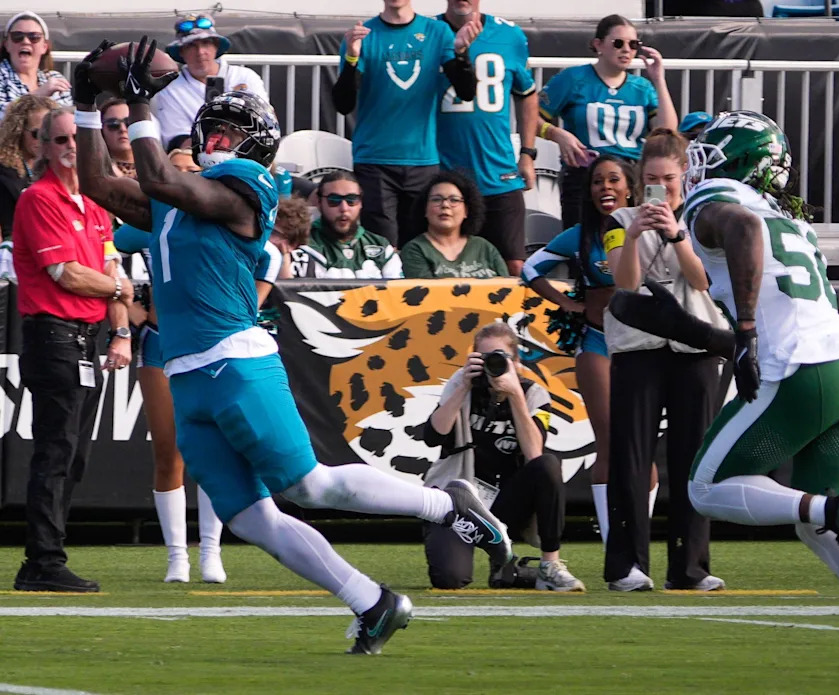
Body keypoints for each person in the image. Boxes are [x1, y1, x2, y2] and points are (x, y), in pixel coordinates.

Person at [74, 37, 512, 655]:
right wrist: (90, 100)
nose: (217, 140)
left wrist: (139, 105)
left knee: (310, 485)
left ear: (252, 147)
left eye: (228, 133)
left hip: (237, 361)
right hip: (188, 375)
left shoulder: (245, 185)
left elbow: (158, 178)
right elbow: (96, 180)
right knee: (251, 518)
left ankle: (444, 503)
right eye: (213, 130)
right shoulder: (173, 198)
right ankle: (372, 601)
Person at [609, 110, 839, 668]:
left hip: (798, 370)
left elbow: (741, 230)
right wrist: (708, 333)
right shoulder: (792, 221)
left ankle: (838, 511)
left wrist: (743, 333)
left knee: (705, 488)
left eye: (709, 156)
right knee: (818, 522)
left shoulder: (722, 202)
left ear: (736, 164)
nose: (697, 169)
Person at [113, 218, 281, 584]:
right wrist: (131, 307)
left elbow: (269, 255)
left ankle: (211, 550)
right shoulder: (154, 224)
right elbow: (105, 246)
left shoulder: (221, 224)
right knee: (168, 449)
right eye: (178, 169)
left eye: (193, 169)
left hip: (213, 346)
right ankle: (176, 556)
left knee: (213, 448)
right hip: (161, 342)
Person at [11, 105, 134, 592]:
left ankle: (43, 560)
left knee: (72, 455)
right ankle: (43, 560)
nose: (68, 148)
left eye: (74, 140)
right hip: (53, 336)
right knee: (57, 452)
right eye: (59, 140)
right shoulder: (37, 199)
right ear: (42, 147)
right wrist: (118, 294)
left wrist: (122, 331)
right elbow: (69, 275)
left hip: (84, 339)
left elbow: (111, 272)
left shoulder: (96, 203)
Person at [602, 128, 727, 592]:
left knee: (693, 459)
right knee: (631, 459)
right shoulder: (618, 219)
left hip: (695, 348)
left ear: (685, 176)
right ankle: (626, 566)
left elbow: (703, 281)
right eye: (652, 178)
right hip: (637, 349)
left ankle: (690, 566)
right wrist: (635, 234)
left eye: (669, 178)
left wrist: (676, 235)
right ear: (639, 179)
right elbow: (626, 285)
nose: (662, 187)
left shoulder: (703, 220)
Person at [521, 155, 657, 548]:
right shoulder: (579, 235)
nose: (605, 188)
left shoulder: (647, 230)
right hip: (596, 342)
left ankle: (639, 536)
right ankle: (615, 539)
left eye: (613, 180)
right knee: (610, 442)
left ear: (630, 187)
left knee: (641, 443)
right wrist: (569, 305)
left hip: (643, 346)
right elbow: (531, 270)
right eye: (598, 182)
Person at [422, 321, 585, 591]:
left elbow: (534, 454)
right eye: (485, 358)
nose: (492, 365)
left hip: (504, 504)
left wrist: (515, 396)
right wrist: (462, 386)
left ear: (516, 361)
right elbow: (432, 436)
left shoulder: (533, 394)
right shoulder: (462, 384)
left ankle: (549, 566)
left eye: (500, 358)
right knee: (449, 579)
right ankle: (506, 568)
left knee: (548, 465)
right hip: (458, 503)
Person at [332, 0, 480, 248]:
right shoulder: (363, 34)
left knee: (420, 246)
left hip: (422, 160)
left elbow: (466, 91)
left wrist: (462, 54)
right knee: (383, 248)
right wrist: (352, 58)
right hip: (375, 160)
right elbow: (344, 104)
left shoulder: (437, 31)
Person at [538, 15, 677, 229]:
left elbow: (667, 131)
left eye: (633, 45)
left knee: (640, 240)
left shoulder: (642, 87)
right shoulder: (573, 78)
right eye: (618, 43)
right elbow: (531, 118)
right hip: (586, 175)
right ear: (598, 45)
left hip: (631, 176)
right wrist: (557, 134)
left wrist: (659, 79)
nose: (626, 50)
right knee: (583, 241)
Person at [435, 0, 537, 277]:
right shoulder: (430, 32)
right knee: (444, 270)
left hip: (498, 171)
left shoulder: (510, 35)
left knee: (514, 267)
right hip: (444, 174)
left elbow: (527, 94)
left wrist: (527, 153)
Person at [153, 14, 268, 148]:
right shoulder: (170, 88)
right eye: (191, 46)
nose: (200, 52)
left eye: (206, 43)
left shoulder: (246, 77)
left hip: (250, 153)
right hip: (196, 159)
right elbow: (177, 140)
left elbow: (267, 121)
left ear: (216, 46)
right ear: (181, 52)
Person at [291, 171, 403, 279]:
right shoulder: (302, 245)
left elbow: (398, 293)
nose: (344, 208)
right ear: (319, 203)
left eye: (351, 200)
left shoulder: (382, 247)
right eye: (334, 200)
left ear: (361, 203)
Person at [401, 171, 507, 279]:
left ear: (466, 210)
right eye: (436, 199)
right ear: (424, 209)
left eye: (454, 200)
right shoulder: (415, 249)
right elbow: (424, 293)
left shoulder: (484, 247)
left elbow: (508, 288)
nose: (445, 205)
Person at [0, 94, 55, 246]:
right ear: (19, 131)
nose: (43, 141)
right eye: (37, 134)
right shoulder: (5, 172)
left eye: (49, 134)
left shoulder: (58, 169)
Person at [0, 12, 72, 119]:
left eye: (34, 37)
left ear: (44, 47)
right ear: (7, 45)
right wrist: (38, 95)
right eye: (17, 36)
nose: (25, 41)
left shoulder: (55, 78)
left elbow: (68, 118)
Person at [269, 196, 312, 280]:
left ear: (292, 244)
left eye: (273, 233)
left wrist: (284, 257)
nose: (266, 237)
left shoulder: (303, 261)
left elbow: (290, 292)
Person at [98, 98, 136, 178]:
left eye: (128, 122)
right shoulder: (96, 170)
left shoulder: (155, 165)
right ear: (101, 130)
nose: (122, 129)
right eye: (113, 124)